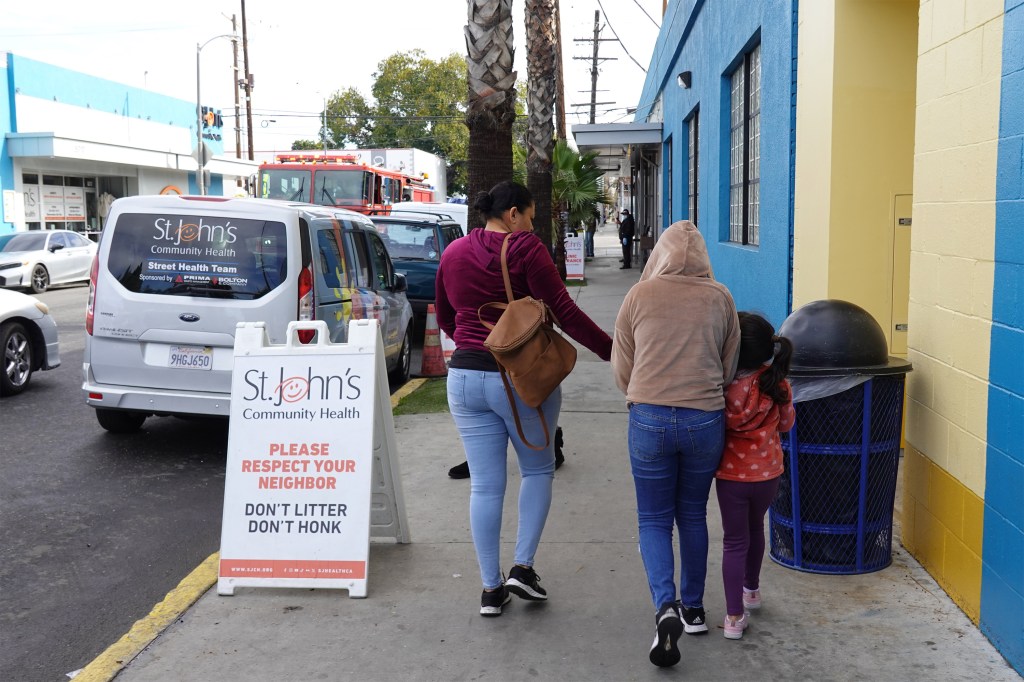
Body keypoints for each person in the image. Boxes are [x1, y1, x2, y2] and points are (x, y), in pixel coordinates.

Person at [435, 180, 612, 617]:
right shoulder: (525, 249)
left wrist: (473, 342)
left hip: (463, 377)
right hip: (517, 378)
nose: (532, 225)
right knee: (537, 469)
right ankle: (523, 568)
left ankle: (490, 590)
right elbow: (565, 312)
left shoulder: (454, 252)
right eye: (530, 216)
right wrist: (614, 351)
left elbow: (443, 314)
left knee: (485, 484)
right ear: (513, 213)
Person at [611, 220, 740, 667]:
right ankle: (695, 609)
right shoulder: (721, 297)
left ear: (659, 253)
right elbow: (729, 364)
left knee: (652, 519)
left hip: (648, 415)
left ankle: (665, 605)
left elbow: (621, 364)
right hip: (704, 418)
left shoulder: (638, 296)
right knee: (692, 514)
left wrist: (642, 396)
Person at [715, 312, 795, 640]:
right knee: (755, 529)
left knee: (734, 541)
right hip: (768, 476)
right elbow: (787, 424)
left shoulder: (722, 384)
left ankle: (734, 617)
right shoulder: (776, 383)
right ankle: (752, 591)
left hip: (732, 478)